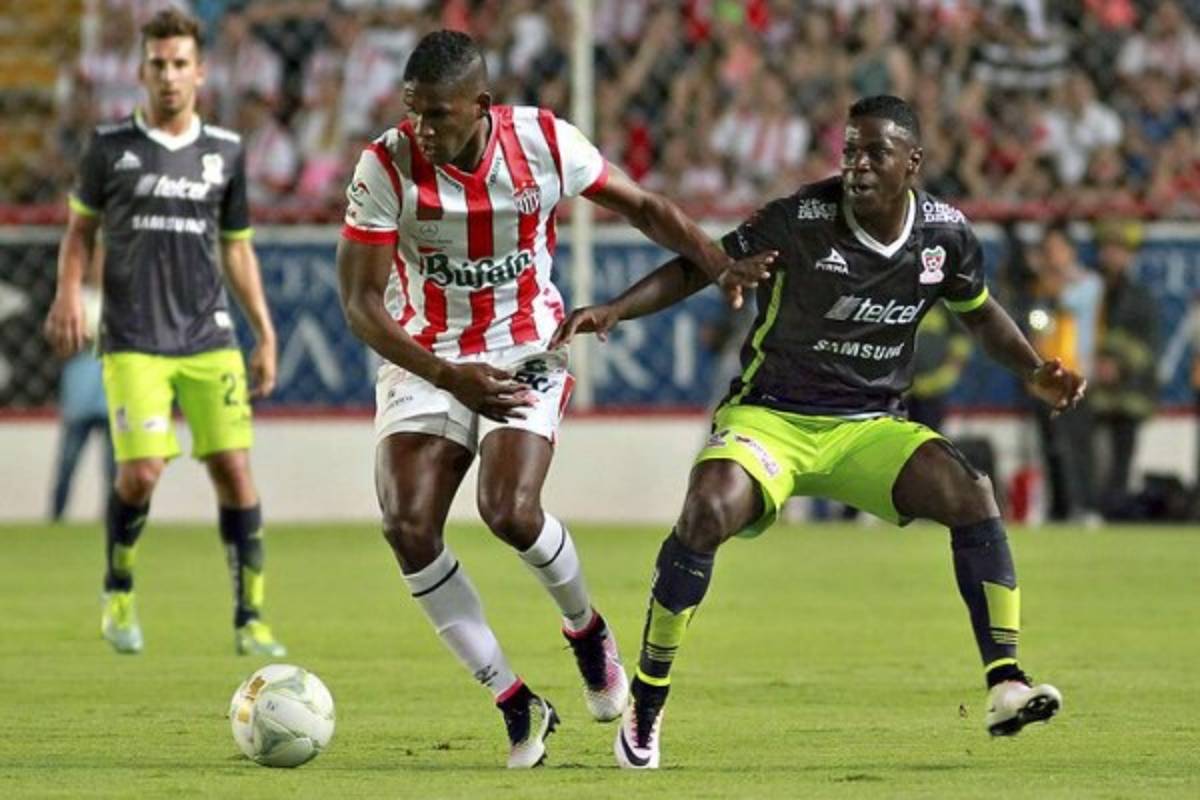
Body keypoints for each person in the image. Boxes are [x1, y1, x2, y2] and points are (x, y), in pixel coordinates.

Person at [554, 95, 1085, 769]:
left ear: (913, 162)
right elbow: (700, 264)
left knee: (971, 491)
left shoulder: (945, 235)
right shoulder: (800, 218)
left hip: (868, 428)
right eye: (850, 151)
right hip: (770, 418)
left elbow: (979, 314)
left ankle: (1005, 682)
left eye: (876, 153)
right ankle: (647, 704)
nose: (857, 165)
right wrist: (617, 309)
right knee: (706, 510)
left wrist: (1035, 370)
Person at [335, 30, 770, 769]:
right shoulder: (385, 164)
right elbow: (360, 304)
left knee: (508, 510)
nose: (422, 129)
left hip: (525, 342)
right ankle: (516, 702)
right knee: (406, 525)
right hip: (429, 354)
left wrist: (718, 262)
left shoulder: (541, 142)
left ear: (481, 105)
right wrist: (447, 375)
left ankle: (586, 629)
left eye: (438, 114)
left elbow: (644, 206)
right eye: (413, 112)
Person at [43, 9, 285, 658]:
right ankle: (118, 586)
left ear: (200, 72)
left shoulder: (225, 151)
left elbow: (237, 248)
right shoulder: (108, 147)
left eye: (181, 64)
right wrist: (68, 292)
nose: (170, 75)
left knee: (234, 469)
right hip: (133, 336)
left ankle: (251, 617)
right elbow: (79, 233)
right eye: (159, 64)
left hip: (210, 336)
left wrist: (264, 333)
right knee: (141, 473)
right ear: (140, 71)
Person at [1089, 220, 1159, 514]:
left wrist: (1117, 365)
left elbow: (1148, 347)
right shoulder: (1091, 290)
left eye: (1119, 249)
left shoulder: (1141, 297)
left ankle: (1115, 509)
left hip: (1130, 391)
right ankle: (1090, 505)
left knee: (1122, 457)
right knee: (1089, 454)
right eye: (1108, 248)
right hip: (1091, 387)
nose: (1112, 255)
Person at [49, 267, 115, 522]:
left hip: (112, 395)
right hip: (80, 395)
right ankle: (56, 517)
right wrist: (76, 339)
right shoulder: (73, 299)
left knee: (113, 467)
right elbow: (59, 346)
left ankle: (112, 519)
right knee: (67, 462)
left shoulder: (122, 300)